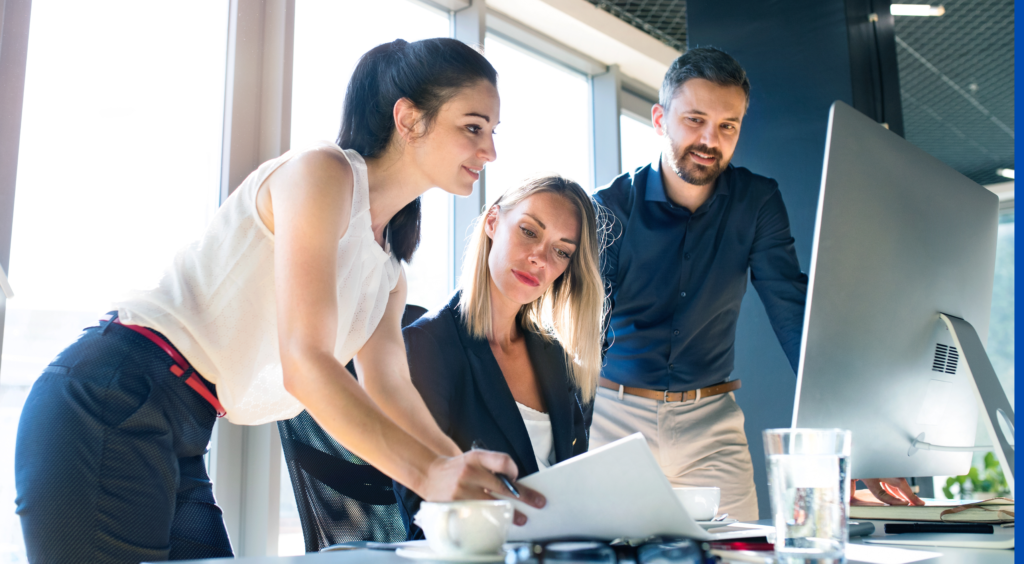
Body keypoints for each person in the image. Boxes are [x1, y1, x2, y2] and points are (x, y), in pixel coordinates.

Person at [14, 37, 543, 564]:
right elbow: (305, 364)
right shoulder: (323, 173)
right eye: (473, 127)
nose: (490, 151)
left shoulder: (388, 270)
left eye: (493, 133)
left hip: (185, 425)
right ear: (409, 119)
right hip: (113, 394)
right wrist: (429, 474)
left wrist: (460, 472)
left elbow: (391, 390)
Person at [589, 47, 922, 521]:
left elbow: (792, 312)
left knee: (743, 552)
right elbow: (586, 329)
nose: (710, 139)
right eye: (695, 120)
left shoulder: (758, 200)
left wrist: (858, 436)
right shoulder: (608, 206)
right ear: (660, 118)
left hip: (711, 422)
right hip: (613, 418)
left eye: (728, 126)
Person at [394, 175, 604, 538]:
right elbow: (421, 507)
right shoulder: (427, 345)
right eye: (529, 231)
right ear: (493, 222)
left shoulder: (556, 359)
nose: (539, 257)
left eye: (561, 251)